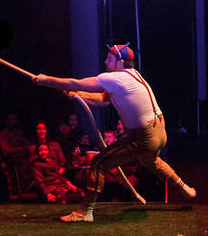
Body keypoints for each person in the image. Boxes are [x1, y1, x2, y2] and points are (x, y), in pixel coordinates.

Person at [32, 44, 196, 222]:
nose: (105, 61)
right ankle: (184, 188)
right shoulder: (133, 75)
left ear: (120, 61)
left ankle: (85, 212)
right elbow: (103, 99)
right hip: (160, 132)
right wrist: (78, 94)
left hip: (144, 136)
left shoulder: (115, 78)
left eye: (109, 58)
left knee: (97, 164)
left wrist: (47, 80)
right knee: (152, 161)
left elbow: (75, 82)